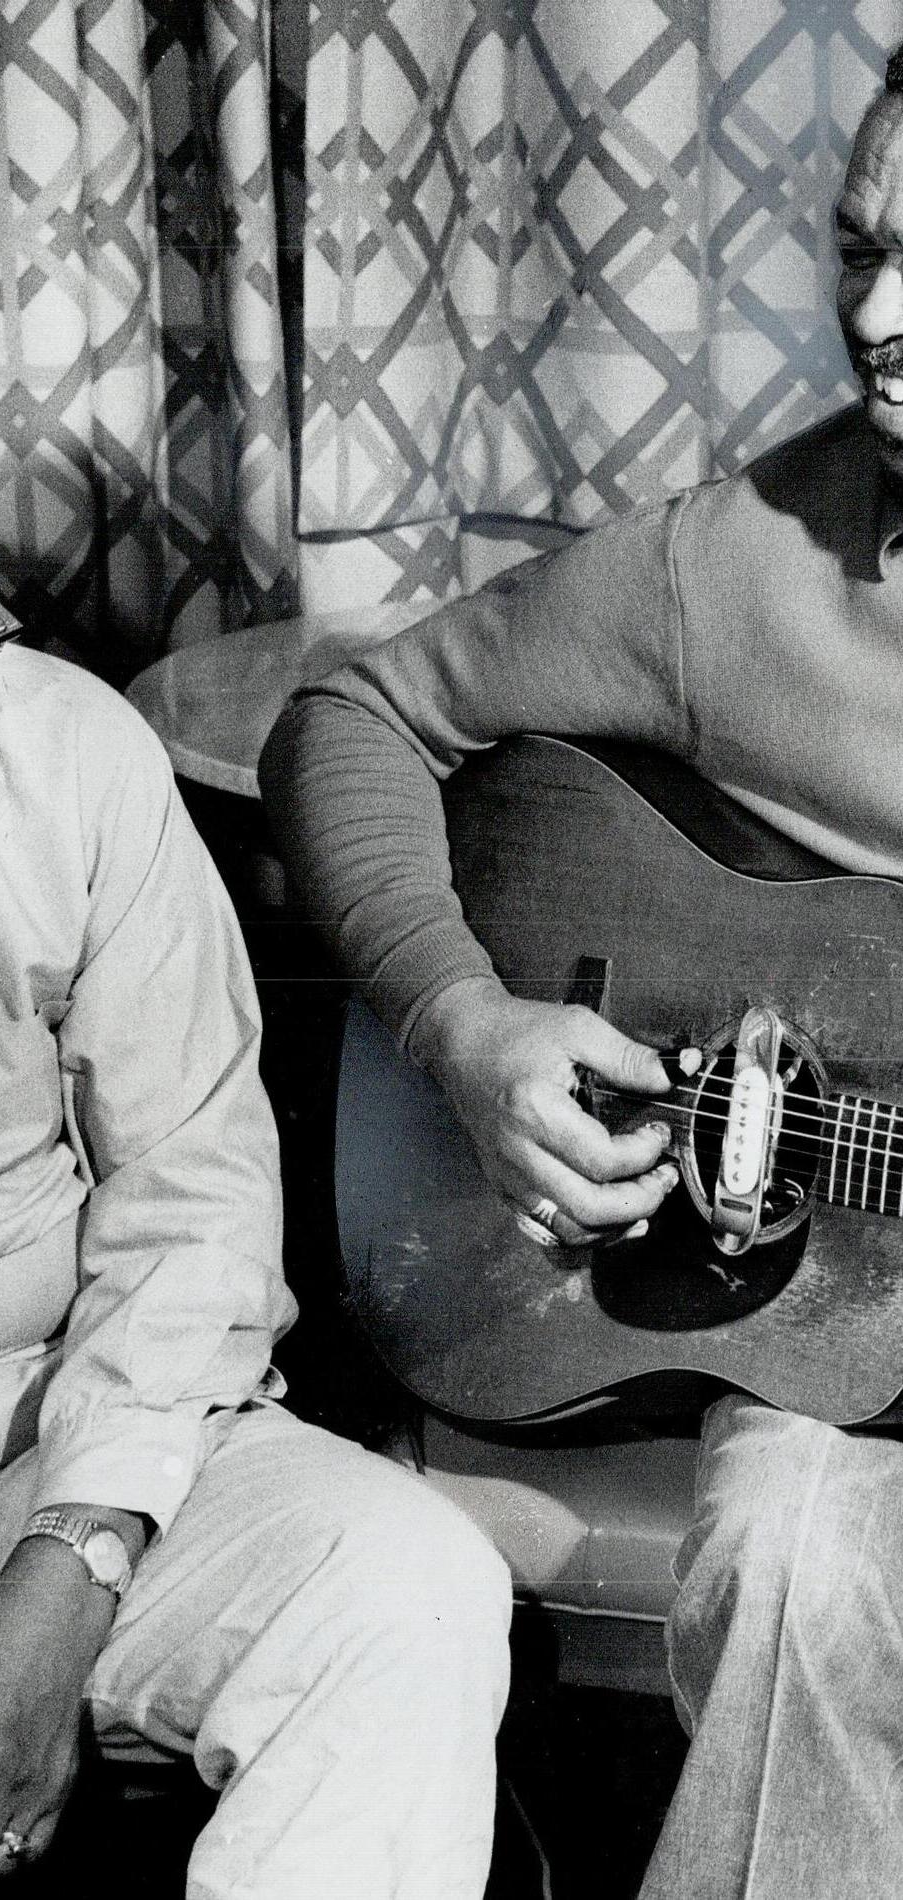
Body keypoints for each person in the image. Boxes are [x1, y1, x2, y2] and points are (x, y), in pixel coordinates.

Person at [259, 43, 903, 1900]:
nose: (873, 315)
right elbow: (354, 716)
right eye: (853, 247)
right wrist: (464, 1030)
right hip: (842, 1394)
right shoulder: (743, 566)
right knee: (795, 1545)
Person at [0, 284, 512, 1900]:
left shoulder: (71, 755)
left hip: (12, 1467)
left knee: (401, 1588)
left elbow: (191, 1194)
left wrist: (69, 1557)